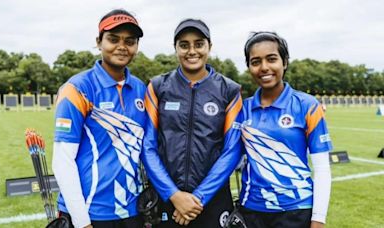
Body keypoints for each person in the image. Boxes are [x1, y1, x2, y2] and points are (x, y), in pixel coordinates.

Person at [141, 18, 243, 227]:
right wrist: (174, 195)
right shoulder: (157, 87)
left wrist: (198, 197)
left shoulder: (229, 90)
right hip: (167, 199)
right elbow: (148, 146)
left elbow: (232, 150)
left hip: (212, 201)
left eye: (199, 44)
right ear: (175, 48)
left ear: (209, 46)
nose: (192, 51)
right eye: (184, 45)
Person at [52, 9, 146, 228]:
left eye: (130, 41)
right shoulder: (77, 88)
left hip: (132, 210)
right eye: (113, 39)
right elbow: (62, 161)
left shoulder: (142, 88)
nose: (122, 46)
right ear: (99, 41)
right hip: (88, 213)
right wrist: (81, 221)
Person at [239, 31, 332, 228]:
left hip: (296, 211)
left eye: (271, 59)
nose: (264, 67)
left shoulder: (307, 105)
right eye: (255, 62)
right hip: (251, 210)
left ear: (285, 62)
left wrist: (318, 219)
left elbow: (322, 168)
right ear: (249, 67)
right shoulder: (241, 108)